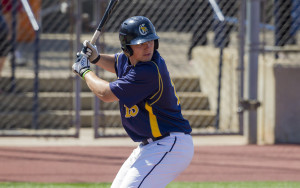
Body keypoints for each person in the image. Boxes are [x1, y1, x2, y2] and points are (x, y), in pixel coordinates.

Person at [72, 16, 194, 188]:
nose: (147, 46)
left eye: (150, 41)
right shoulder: (129, 60)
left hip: (170, 143)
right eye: (140, 43)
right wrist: (96, 58)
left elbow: (105, 93)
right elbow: (116, 62)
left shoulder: (148, 71)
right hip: (151, 146)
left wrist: (84, 71)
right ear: (127, 48)